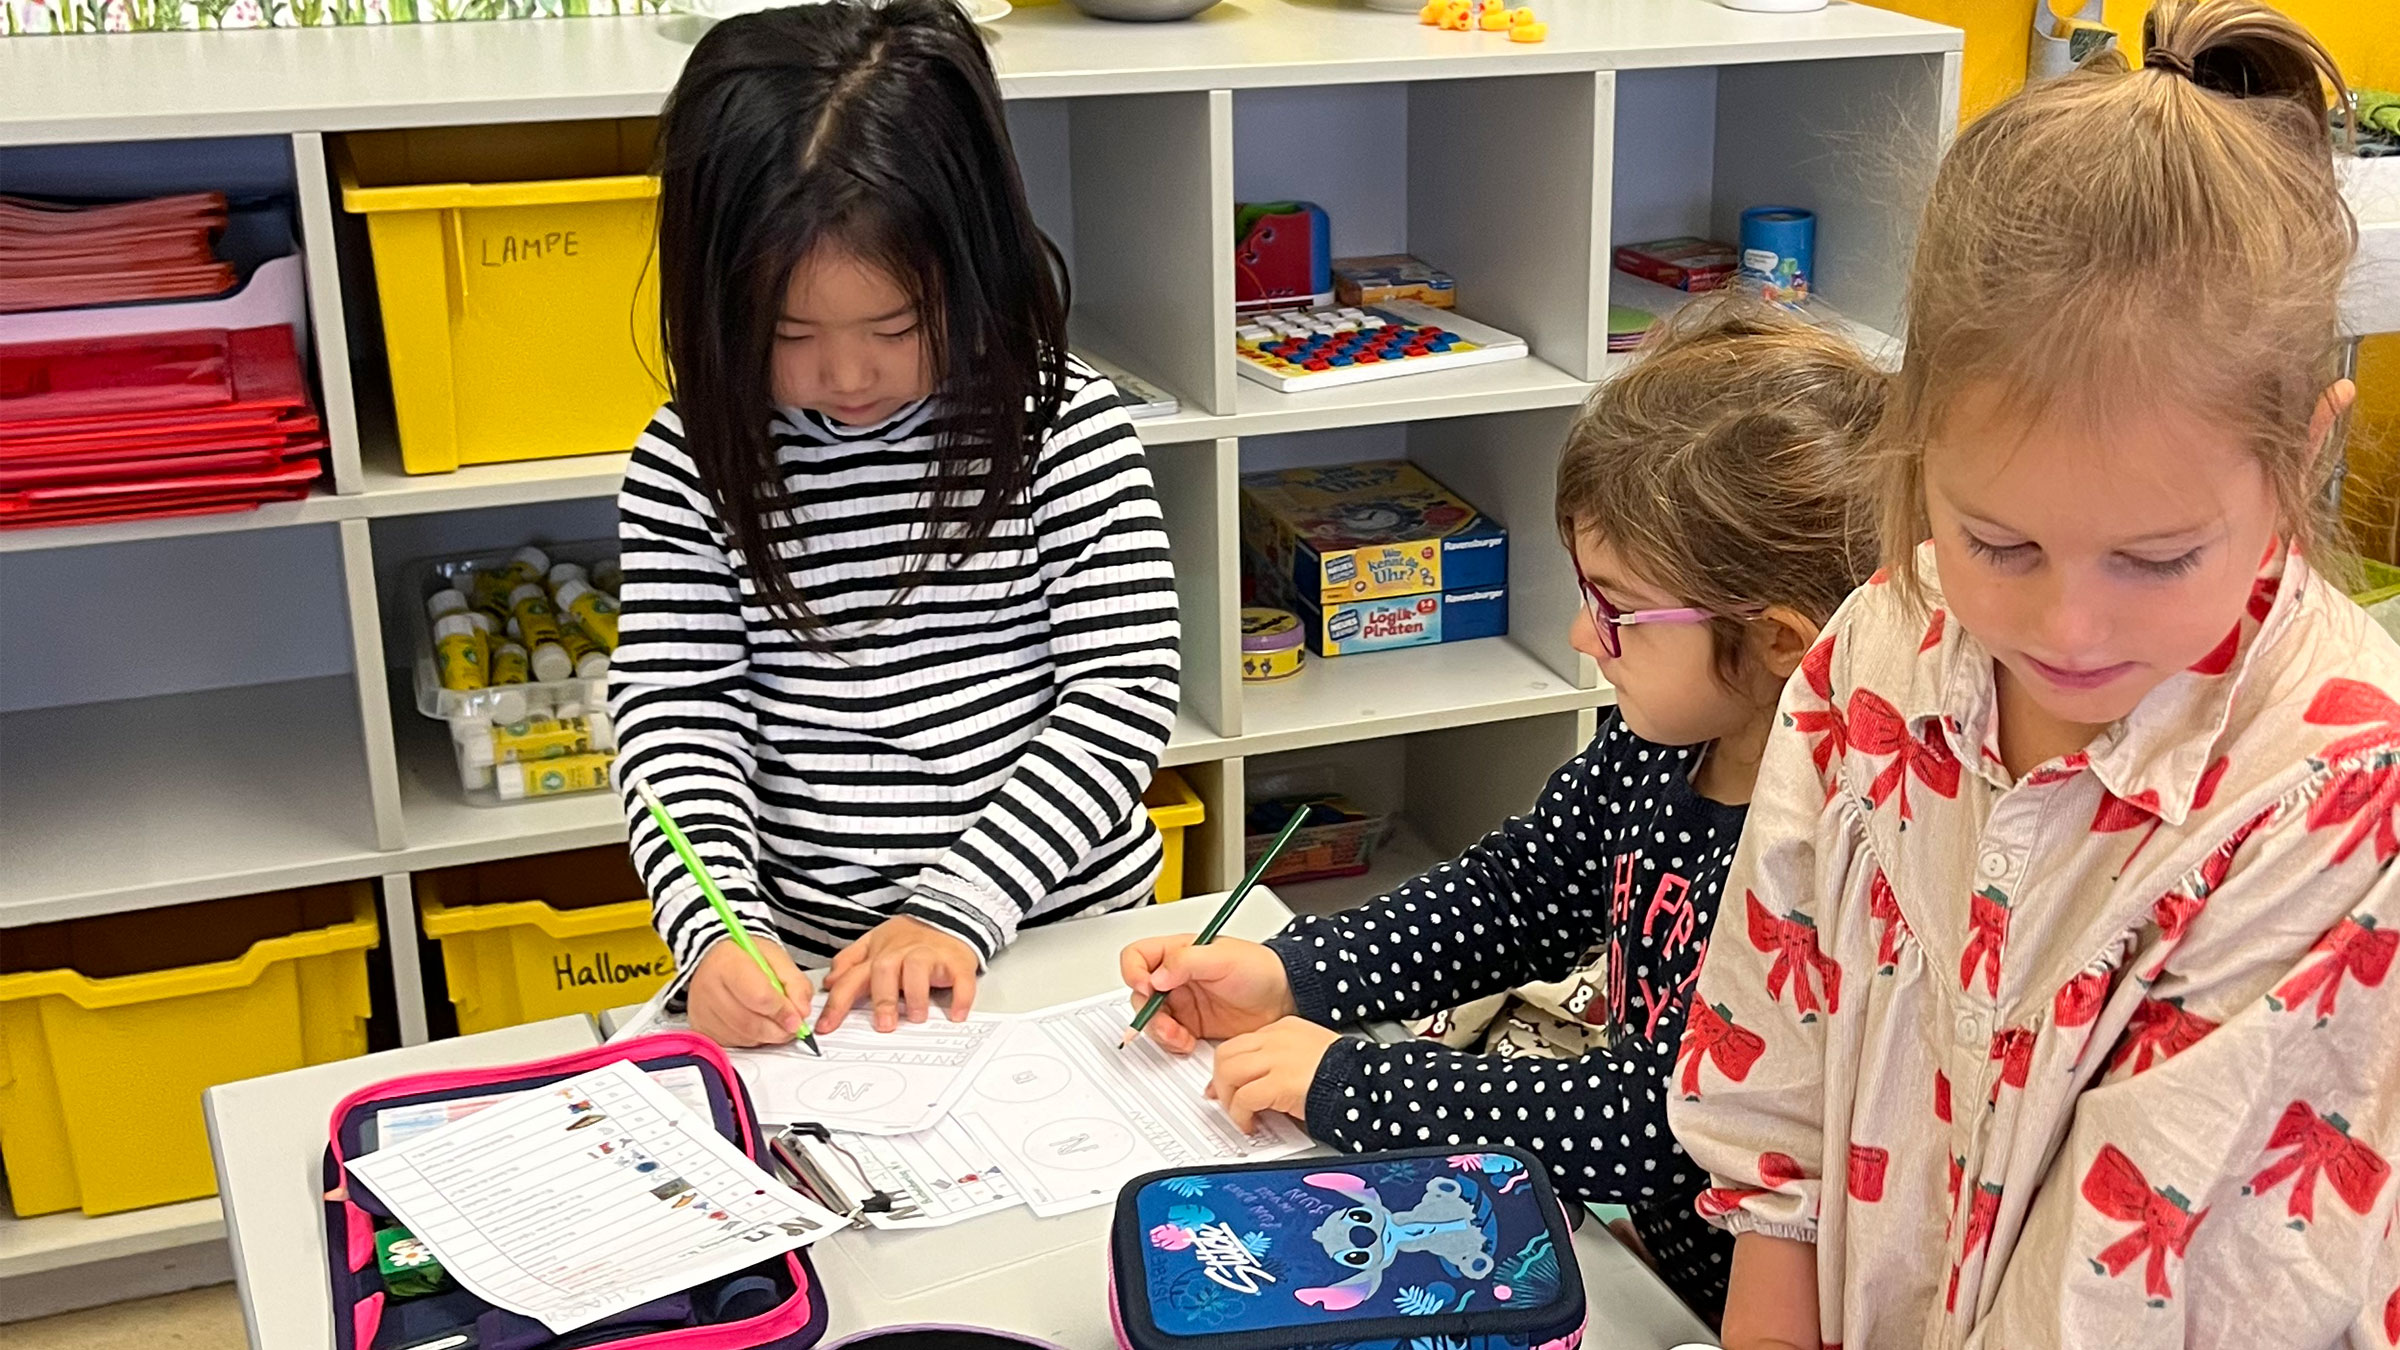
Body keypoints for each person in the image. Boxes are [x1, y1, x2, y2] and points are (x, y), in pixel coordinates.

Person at [1668, 4, 2400, 1345]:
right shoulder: (1879, 651)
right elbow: (1779, 1087)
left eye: (2158, 555)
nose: (2065, 626)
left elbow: (2147, 1280)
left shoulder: (2340, 784)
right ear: (1916, 442)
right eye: (1999, 539)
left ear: (2304, 452)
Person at [1118, 301, 1886, 1323]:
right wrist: (1289, 973)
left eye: (1617, 607)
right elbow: (1513, 895)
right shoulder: (1660, 745)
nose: (1581, 631)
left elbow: (1658, 1118)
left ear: (1782, 643)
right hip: (1660, 1277)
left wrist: (1354, 1082)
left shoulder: (1830, 845)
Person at [611, 0, 1179, 1046]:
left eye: (894, 326)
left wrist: (956, 903)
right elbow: (675, 713)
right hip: (812, 963)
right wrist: (715, 927)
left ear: (971, 270)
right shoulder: (693, 456)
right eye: (788, 333)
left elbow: (1122, 694)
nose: (845, 375)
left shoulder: (1061, 426)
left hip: (1049, 930)